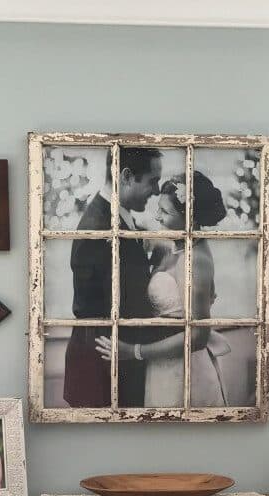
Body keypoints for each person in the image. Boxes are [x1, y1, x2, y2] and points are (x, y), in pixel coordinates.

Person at [95, 171, 231, 407]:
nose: (157, 217)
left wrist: (134, 351)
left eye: (165, 212)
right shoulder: (177, 247)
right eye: (159, 208)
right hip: (163, 363)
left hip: (184, 371)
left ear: (190, 219)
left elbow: (199, 336)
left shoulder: (195, 260)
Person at [63, 147, 167, 408]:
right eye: (153, 181)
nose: (156, 191)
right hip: (104, 363)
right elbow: (115, 306)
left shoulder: (119, 215)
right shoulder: (99, 229)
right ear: (127, 175)